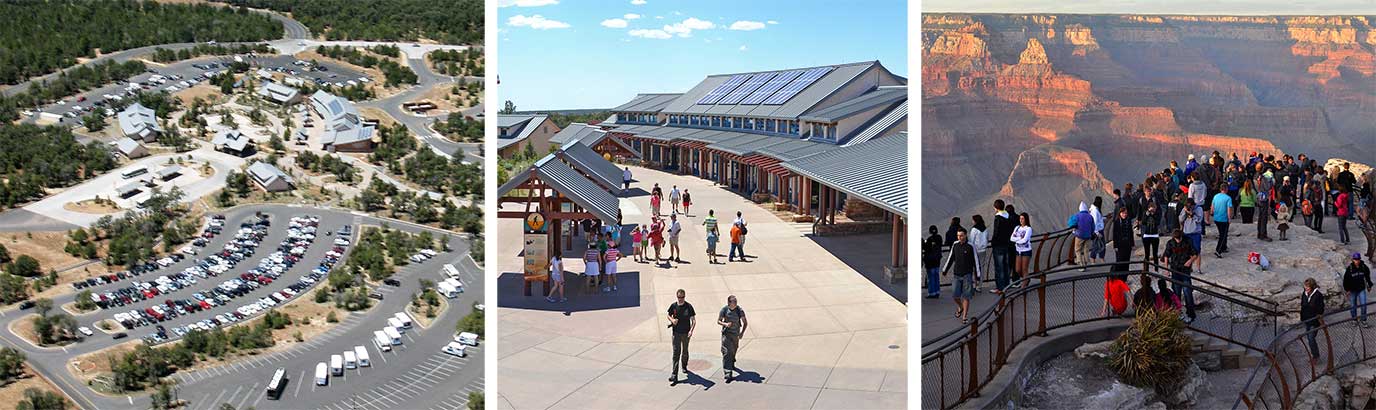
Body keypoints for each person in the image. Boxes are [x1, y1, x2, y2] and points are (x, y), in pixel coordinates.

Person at [942, 229, 979, 324]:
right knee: (955, 295)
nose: (960, 237)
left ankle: (964, 316)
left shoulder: (971, 246)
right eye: (958, 236)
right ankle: (960, 307)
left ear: (966, 235)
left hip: (967, 275)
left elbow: (976, 261)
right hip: (957, 275)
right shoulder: (955, 245)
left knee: (966, 296)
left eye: (961, 235)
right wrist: (945, 270)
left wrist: (977, 275)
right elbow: (950, 258)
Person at [1161, 229, 1199, 323]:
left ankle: (1191, 314)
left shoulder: (1188, 241)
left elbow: (1195, 254)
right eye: (1176, 239)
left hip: (1185, 270)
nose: (1177, 240)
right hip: (1175, 270)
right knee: (1176, 293)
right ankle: (1178, 314)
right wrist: (1166, 269)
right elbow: (1166, 255)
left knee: (1187, 292)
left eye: (1179, 239)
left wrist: (1190, 261)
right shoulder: (1170, 243)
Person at [667, 289, 696, 383]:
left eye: (682, 297)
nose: (680, 299)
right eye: (679, 297)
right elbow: (668, 314)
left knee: (685, 352)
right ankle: (674, 375)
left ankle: (684, 366)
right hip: (676, 333)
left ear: (685, 296)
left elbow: (694, 320)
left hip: (686, 334)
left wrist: (691, 331)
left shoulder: (688, 306)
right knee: (676, 353)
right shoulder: (673, 306)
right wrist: (672, 320)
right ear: (677, 297)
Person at [718, 295, 747, 382]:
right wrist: (725, 324)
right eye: (734, 302)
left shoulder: (739, 310)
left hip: (735, 334)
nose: (735, 303)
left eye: (736, 301)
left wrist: (741, 333)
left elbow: (745, 323)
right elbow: (718, 321)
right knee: (727, 352)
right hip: (726, 334)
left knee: (734, 350)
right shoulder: (724, 310)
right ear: (729, 303)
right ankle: (728, 372)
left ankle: (732, 362)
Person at [990, 199, 1015, 293]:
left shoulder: (998, 218)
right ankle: (1006, 285)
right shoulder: (1008, 216)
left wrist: (993, 242)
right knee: (1005, 265)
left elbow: (996, 232)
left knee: (999, 266)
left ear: (996, 208)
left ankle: (1000, 288)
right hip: (1007, 244)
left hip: (998, 245)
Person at [1300, 278, 1325, 364]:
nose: (1306, 287)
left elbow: (1321, 308)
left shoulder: (1318, 295)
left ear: (1312, 286)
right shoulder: (1304, 294)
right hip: (1307, 320)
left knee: (1311, 338)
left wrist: (1317, 314)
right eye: (1305, 286)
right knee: (1309, 338)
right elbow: (1302, 305)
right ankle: (1315, 355)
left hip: (1314, 321)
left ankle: (1315, 356)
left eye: (1307, 286)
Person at [1343, 252, 1371, 327]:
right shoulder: (1350, 269)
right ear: (1353, 260)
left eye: (1358, 259)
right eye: (1355, 259)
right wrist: (1347, 289)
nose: (1357, 261)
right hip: (1353, 290)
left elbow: (1367, 276)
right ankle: (1354, 319)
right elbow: (1346, 280)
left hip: (1361, 289)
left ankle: (1364, 320)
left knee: (1364, 305)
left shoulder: (1363, 267)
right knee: (1353, 306)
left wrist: (1369, 285)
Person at [1180, 198, 1205, 274]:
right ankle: (1189, 267)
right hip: (1186, 232)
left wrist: (1192, 214)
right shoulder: (1184, 208)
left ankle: (1198, 268)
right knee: (1187, 251)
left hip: (1195, 232)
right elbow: (1180, 219)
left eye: (1190, 206)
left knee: (1197, 251)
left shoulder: (1199, 209)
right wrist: (1185, 212)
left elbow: (1199, 220)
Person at [1109, 207, 1136, 276]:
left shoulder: (1128, 221)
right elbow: (1115, 234)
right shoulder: (1117, 222)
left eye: (1125, 213)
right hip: (1120, 245)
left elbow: (1131, 233)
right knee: (1119, 261)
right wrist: (1115, 246)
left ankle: (1125, 277)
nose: (1124, 215)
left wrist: (1132, 244)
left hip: (1127, 244)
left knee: (1127, 261)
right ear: (1120, 213)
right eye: (1123, 213)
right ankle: (1119, 276)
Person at [1211, 183, 1234, 257]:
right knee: (1223, 235)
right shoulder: (1228, 198)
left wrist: (1212, 213)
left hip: (1216, 218)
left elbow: (1212, 207)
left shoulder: (1215, 196)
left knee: (1223, 233)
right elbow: (1229, 209)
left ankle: (1224, 247)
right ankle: (1218, 250)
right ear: (1226, 189)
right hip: (1223, 219)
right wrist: (1229, 218)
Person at [968, 215, 989, 293]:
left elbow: (971, 240)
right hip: (983, 250)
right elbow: (987, 238)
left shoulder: (974, 229)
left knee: (975, 267)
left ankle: (975, 284)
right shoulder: (985, 229)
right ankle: (979, 286)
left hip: (976, 250)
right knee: (981, 267)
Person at [1012, 213, 1034, 288]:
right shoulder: (1017, 228)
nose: (1021, 220)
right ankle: (1027, 278)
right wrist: (1019, 239)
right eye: (1020, 218)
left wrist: (1017, 239)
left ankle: (1023, 287)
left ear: (1026, 219)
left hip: (1026, 251)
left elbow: (1025, 240)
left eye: (1022, 219)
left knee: (1024, 269)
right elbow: (1011, 238)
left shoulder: (1028, 229)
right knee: (1017, 269)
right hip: (1018, 251)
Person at [1073, 202, 1095, 271]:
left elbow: (1072, 223)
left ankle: (1081, 265)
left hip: (1079, 235)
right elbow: (1093, 227)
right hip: (1088, 236)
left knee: (1078, 250)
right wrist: (1091, 234)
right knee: (1086, 250)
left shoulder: (1077, 215)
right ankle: (1085, 263)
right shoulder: (1090, 216)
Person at [924, 226, 944, 299]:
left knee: (931, 277)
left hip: (930, 261)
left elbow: (926, 248)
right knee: (936, 276)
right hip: (937, 260)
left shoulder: (929, 240)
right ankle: (937, 291)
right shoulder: (939, 238)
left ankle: (932, 292)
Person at [1141, 203, 1162, 269]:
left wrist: (1153, 215)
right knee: (1147, 253)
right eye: (1151, 209)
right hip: (1146, 235)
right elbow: (1143, 222)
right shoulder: (1145, 213)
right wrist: (1147, 215)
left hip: (1155, 235)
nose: (1153, 210)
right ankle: (1146, 268)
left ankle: (1156, 268)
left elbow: (1158, 222)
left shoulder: (1157, 214)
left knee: (1155, 253)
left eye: (1154, 209)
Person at [1090, 197, 1107, 264]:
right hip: (1097, 231)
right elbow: (1095, 222)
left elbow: (1099, 219)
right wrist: (1097, 233)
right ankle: (1093, 258)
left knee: (1099, 244)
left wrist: (1105, 218)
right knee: (1097, 245)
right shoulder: (1095, 211)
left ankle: (1100, 258)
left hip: (1099, 230)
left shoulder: (1096, 209)